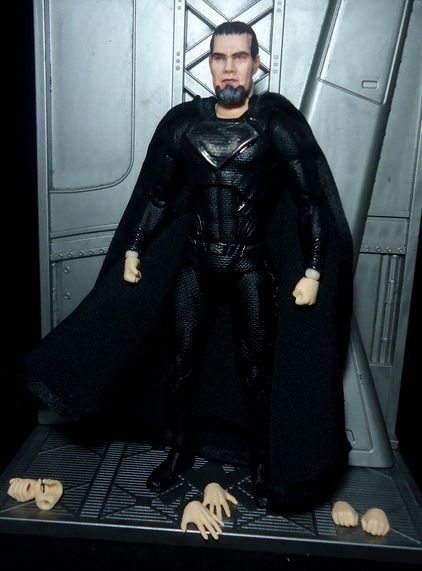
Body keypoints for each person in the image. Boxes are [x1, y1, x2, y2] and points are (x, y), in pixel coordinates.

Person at [22, 21, 353, 512]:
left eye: (239, 57)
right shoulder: (184, 126)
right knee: (180, 365)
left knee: (257, 370)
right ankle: (179, 452)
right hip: (196, 264)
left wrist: (314, 272)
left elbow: (310, 203)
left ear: (256, 64)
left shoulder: (276, 126)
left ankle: (262, 462)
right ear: (209, 65)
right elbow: (156, 197)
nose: (229, 68)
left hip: (249, 265)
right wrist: (134, 249)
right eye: (219, 58)